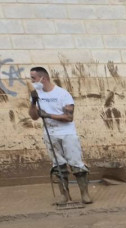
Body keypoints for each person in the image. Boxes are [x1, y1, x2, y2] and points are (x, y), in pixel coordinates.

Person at [27, 66, 92, 205]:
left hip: (67, 134)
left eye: (33, 78)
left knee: (77, 165)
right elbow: (33, 117)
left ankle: (84, 194)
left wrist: (49, 115)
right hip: (50, 134)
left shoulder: (63, 94)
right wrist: (33, 102)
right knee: (58, 166)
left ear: (42, 78)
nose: (31, 81)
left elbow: (69, 118)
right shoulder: (37, 94)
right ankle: (64, 195)